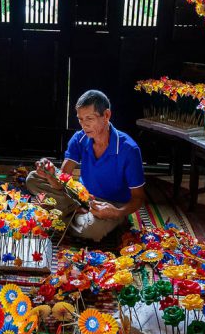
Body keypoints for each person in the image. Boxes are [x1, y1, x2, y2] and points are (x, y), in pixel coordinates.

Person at [27, 89, 146, 242]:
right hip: (82, 196)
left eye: (89, 118)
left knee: (92, 231)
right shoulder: (80, 138)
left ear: (107, 115)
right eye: (80, 119)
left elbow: (138, 198)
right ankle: (77, 212)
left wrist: (116, 213)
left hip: (111, 204)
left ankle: (63, 216)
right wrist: (50, 174)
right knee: (33, 178)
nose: (84, 125)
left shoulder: (129, 149)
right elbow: (61, 182)